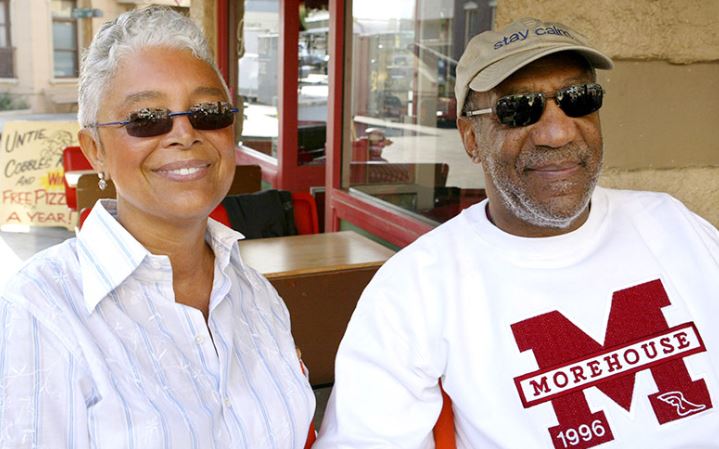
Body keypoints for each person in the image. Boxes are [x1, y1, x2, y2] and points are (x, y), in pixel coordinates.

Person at [314, 17, 719, 449]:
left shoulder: (670, 223)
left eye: (578, 99)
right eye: (519, 109)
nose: (558, 132)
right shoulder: (416, 286)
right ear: (471, 138)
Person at [0, 7, 315, 448]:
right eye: (146, 117)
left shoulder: (255, 293)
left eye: (208, 111)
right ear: (95, 150)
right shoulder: (42, 311)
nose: (185, 134)